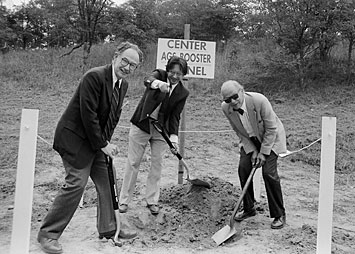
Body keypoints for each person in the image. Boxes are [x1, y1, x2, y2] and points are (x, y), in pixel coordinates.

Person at [37, 41, 143, 254]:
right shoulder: (94, 77)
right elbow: (89, 115)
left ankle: (108, 228)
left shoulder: (123, 85)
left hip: (95, 143)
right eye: (125, 61)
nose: (128, 67)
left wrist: (106, 147)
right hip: (74, 139)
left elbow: (111, 118)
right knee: (77, 182)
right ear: (115, 56)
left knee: (107, 177)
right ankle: (48, 234)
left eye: (133, 65)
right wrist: (103, 144)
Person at [118, 56, 189, 215]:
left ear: (183, 74)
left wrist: (173, 138)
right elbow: (147, 80)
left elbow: (175, 116)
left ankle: (152, 201)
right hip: (142, 124)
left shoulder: (183, 92)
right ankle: (123, 201)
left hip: (160, 131)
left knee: (157, 165)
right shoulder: (159, 75)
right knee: (133, 162)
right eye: (172, 72)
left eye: (179, 73)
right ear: (168, 70)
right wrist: (159, 84)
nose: (174, 76)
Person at [221, 80, 287, 229]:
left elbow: (271, 128)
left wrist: (263, 153)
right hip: (250, 139)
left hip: (271, 138)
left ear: (242, 91)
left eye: (234, 96)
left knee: (268, 173)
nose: (232, 101)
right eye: (227, 99)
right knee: (243, 168)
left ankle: (279, 214)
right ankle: (249, 208)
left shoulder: (260, 101)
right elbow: (239, 132)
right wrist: (253, 151)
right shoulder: (226, 108)